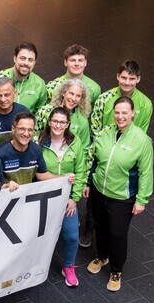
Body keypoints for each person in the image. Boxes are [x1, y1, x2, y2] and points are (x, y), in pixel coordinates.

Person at [86, 97, 154, 292]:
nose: (120, 116)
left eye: (125, 112)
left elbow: (146, 172)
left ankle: (116, 270)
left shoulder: (142, 140)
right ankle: (102, 256)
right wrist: (89, 183)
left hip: (122, 198)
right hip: (99, 190)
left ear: (133, 114)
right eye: (117, 112)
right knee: (100, 227)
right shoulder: (105, 133)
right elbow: (94, 161)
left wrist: (141, 200)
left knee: (117, 233)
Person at [38, 107, 88, 287]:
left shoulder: (75, 143)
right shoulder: (40, 142)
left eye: (62, 122)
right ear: (49, 121)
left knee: (71, 235)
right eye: (55, 121)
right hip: (44, 198)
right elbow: (37, 171)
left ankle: (68, 267)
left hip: (67, 199)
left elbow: (81, 172)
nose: (58, 125)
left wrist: (74, 198)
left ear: (67, 124)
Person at [0, 111, 73, 186]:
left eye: (30, 130)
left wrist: (64, 178)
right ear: (13, 129)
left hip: (28, 196)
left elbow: (41, 175)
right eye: (22, 129)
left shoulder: (36, 150)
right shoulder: (0, 153)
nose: (26, 133)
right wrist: (7, 186)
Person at [90, 60, 153, 140]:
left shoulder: (146, 104)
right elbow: (95, 129)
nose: (127, 82)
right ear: (118, 76)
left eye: (132, 79)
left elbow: (141, 134)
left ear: (138, 79)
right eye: (124, 78)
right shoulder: (104, 99)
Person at [0, 42, 48, 115]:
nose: (26, 63)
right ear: (15, 58)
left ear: (34, 63)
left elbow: (39, 113)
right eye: (23, 58)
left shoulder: (39, 84)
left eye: (30, 60)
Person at [35, 78, 92, 154]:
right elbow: (34, 135)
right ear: (63, 93)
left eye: (78, 96)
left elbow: (84, 148)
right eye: (71, 93)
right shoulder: (45, 111)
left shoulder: (82, 120)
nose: (73, 98)